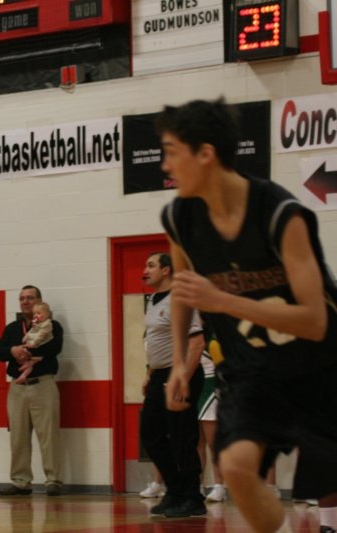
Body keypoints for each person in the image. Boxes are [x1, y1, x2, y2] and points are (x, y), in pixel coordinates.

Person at [158, 98, 337, 533]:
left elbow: (315, 321)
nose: (165, 166)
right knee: (236, 468)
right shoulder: (179, 217)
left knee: (327, 478)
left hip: (320, 364)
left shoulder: (280, 214)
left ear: (205, 154)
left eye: (172, 152)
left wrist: (222, 301)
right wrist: (179, 362)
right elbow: (183, 291)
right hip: (251, 367)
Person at [140, 252, 206, 518]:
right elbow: (159, 343)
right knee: (150, 435)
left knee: (182, 438)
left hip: (180, 374)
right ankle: (175, 491)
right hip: (159, 375)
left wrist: (181, 379)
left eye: (150, 265)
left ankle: (193, 498)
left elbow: (197, 343)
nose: (145, 270)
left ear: (166, 270)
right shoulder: (153, 301)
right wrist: (150, 374)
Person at [0, 285, 64, 497]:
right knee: (18, 436)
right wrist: (13, 350)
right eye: (22, 298)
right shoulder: (12, 328)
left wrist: (27, 351)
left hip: (43, 385)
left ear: (39, 301)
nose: (25, 301)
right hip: (18, 388)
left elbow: (55, 348)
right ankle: (21, 481)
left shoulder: (52, 325)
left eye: (30, 298)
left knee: (48, 435)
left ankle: (53, 480)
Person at [199, 335, 226, 503]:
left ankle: (219, 485)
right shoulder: (185, 343)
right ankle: (198, 485)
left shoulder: (212, 343)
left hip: (210, 392)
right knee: (197, 444)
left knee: (213, 443)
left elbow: (224, 371)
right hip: (195, 390)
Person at [15, 301, 53, 384]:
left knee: (31, 362)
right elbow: (31, 331)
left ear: (47, 315)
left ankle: (24, 375)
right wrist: (26, 337)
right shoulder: (36, 323)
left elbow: (41, 336)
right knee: (23, 354)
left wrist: (33, 343)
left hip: (40, 345)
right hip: (33, 343)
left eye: (38, 313)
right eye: (34, 313)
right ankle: (24, 369)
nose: (36, 315)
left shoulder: (47, 324)